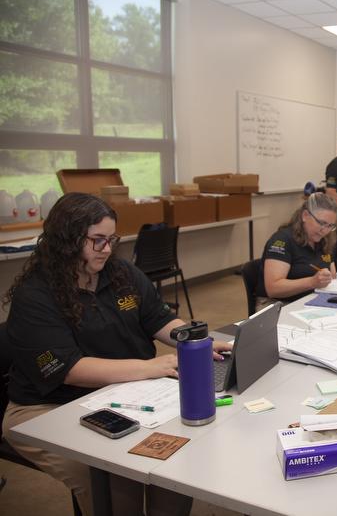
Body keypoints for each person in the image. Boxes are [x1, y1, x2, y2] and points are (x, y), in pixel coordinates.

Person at [1, 193, 232, 516]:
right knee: (103, 474)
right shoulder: (37, 295)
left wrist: (194, 341)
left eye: (111, 239)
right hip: (46, 406)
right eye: (97, 241)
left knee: (173, 455)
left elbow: (159, 319)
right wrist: (150, 367)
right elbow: (70, 370)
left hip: (118, 392)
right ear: (67, 240)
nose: (107, 249)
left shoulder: (120, 272)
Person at [262, 193, 337, 304]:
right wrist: (312, 282)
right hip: (279, 304)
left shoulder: (326, 239)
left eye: (330, 226)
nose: (325, 230)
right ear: (305, 215)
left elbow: (332, 276)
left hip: (312, 299)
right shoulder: (282, 240)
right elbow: (273, 289)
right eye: (321, 223)